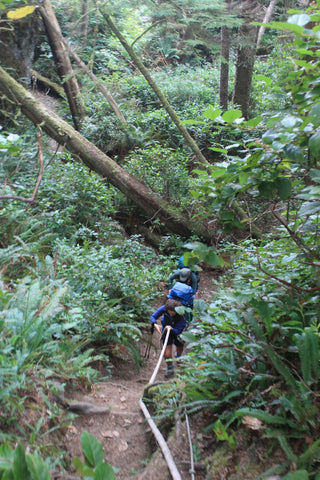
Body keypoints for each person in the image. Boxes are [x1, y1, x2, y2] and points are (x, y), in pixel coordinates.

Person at [150, 298, 187, 378]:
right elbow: (153, 316)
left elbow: (178, 331)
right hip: (166, 331)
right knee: (166, 353)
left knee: (179, 347)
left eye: (173, 312)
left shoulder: (183, 314)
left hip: (179, 332)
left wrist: (172, 329)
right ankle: (170, 368)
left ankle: (178, 356)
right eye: (169, 311)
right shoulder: (164, 308)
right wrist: (155, 324)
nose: (171, 313)